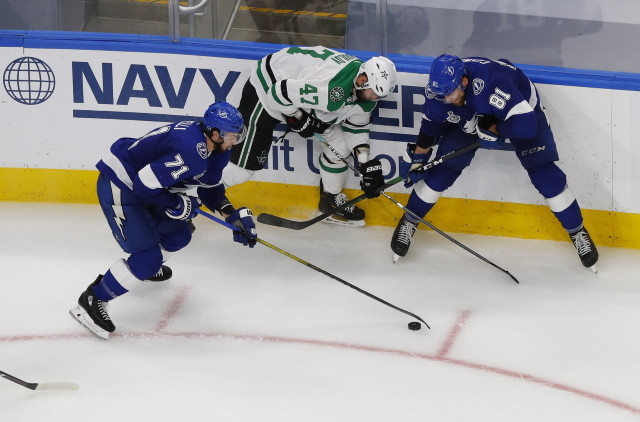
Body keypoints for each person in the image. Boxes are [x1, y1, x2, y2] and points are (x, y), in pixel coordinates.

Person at [69, 102, 258, 340]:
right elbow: (143, 184)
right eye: (232, 135)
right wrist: (176, 204)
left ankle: (143, 270)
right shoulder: (190, 149)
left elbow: (210, 189)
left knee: (179, 235)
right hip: (120, 184)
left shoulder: (218, 150)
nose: (235, 141)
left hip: (148, 188)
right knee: (148, 258)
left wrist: (232, 215)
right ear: (214, 133)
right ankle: (93, 299)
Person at [391, 54, 598, 270]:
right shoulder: (441, 90)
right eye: (440, 95)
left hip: (519, 113)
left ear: (464, 81)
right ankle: (410, 220)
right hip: (473, 116)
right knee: (444, 169)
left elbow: (526, 126)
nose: (445, 100)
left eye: (449, 94)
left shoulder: (493, 82)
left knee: (546, 176)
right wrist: (417, 159)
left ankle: (577, 231)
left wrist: (498, 130)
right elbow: (431, 127)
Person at [221, 45, 396, 226]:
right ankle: (199, 192)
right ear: (362, 80)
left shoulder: (362, 93)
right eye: (373, 92)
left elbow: (356, 128)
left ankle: (330, 201)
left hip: (299, 91)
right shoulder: (330, 91)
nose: (374, 98)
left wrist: (365, 163)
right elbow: (278, 93)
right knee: (242, 171)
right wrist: (297, 117)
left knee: (340, 147)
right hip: (267, 90)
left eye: (378, 96)